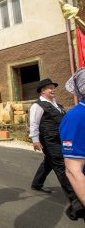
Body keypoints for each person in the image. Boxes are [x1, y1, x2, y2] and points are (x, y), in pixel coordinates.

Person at [29, 78, 79, 219]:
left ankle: (37, 183)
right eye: (50, 88)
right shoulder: (38, 105)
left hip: (60, 139)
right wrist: (35, 140)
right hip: (49, 141)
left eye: (53, 87)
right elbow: (33, 123)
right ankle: (75, 198)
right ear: (42, 91)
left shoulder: (57, 105)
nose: (53, 90)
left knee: (48, 162)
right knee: (61, 167)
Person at [60, 68, 85, 220]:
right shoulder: (75, 117)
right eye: (49, 88)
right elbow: (73, 170)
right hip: (53, 144)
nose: (52, 90)